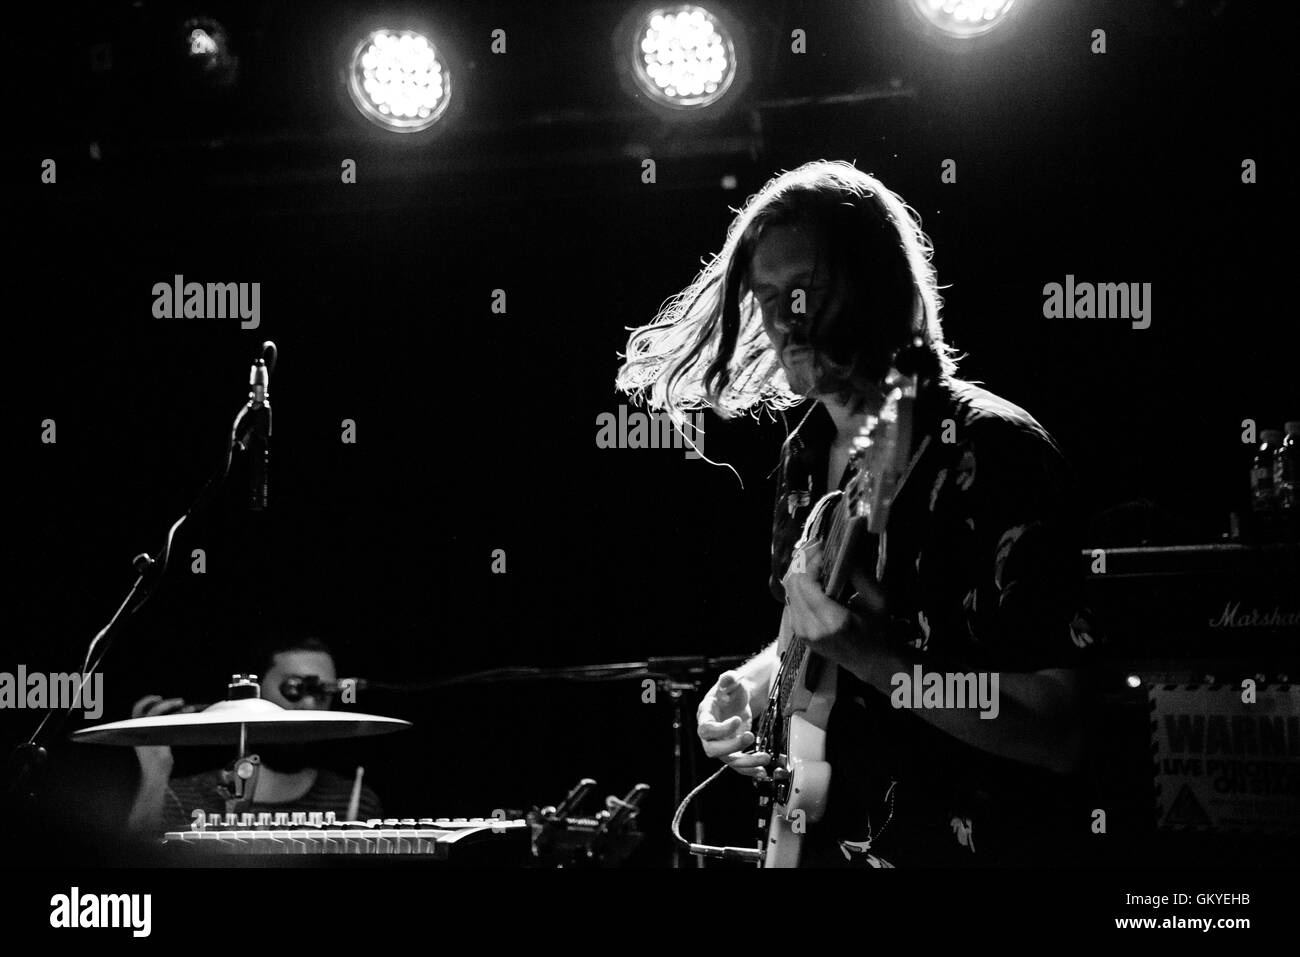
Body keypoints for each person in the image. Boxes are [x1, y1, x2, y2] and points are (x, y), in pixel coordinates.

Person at [616, 160, 1093, 866]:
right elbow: (814, 639)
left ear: (877, 286)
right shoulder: (809, 451)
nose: (783, 317)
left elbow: (1059, 727)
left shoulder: (995, 453)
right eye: (767, 294)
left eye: (806, 288)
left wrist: (881, 660)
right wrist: (748, 691)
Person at [126, 636, 383, 834]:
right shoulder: (182, 798)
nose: (309, 704)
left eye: (321, 691)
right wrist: (156, 772)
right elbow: (134, 863)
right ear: (255, 691)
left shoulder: (356, 801)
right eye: (294, 687)